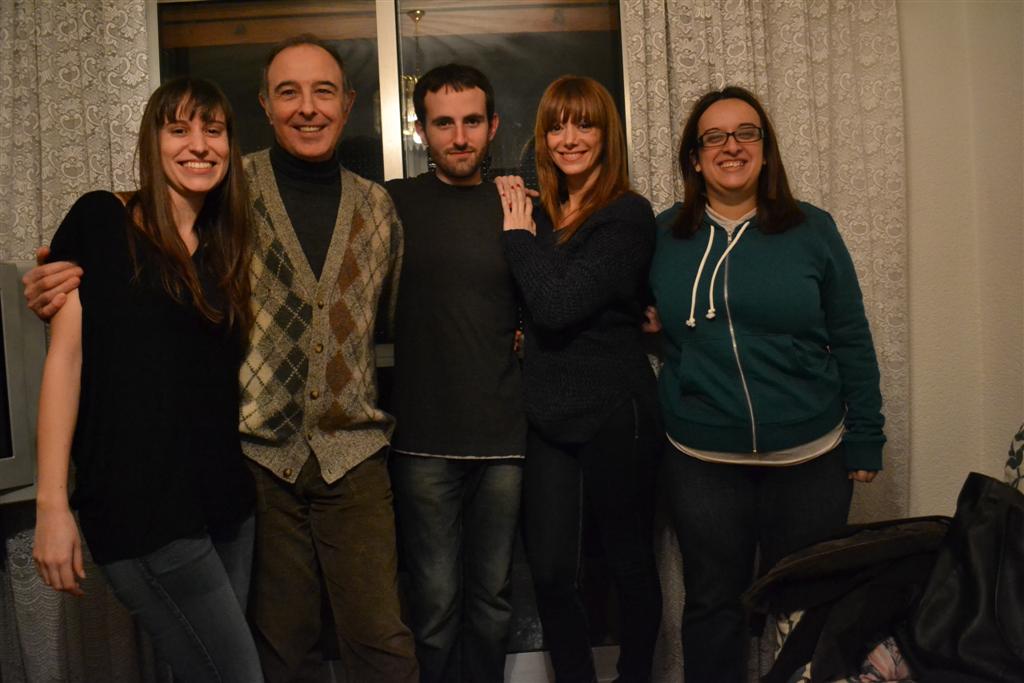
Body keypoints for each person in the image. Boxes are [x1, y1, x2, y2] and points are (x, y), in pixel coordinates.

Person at [24, 35, 418, 683]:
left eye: (323, 91)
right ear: (265, 105)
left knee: (380, 640)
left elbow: (399, 316)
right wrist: (58, 273)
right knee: (272, 649)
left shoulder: (362, 208)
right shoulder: (225, 195)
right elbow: (137, 241)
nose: (307, 107)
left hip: (330, 463)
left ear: (348, 104)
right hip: (251, 465)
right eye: (288, 92)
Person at [647, 85, 885, 683]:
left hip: (810, 459)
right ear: (694, 158)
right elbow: (612, 303)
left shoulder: (812, 229)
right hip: (702, 460)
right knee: (712, 606)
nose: (731, 146)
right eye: (714, 137)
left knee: (804, 611)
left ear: (765, 148)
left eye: (746, 133)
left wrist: (867, 435)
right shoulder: (663, 236)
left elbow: (851, 335)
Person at [31, 77, 262, 682]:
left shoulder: (224, 246)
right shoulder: (100, 219)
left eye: (214, 131)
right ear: (152, 142)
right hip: (141, 510)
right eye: (179, 129)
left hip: (228, 508)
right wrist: (51, 504)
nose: (199, 145)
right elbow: (65, 362)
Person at [495, 75, 662, 683]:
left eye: (584, 124)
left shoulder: (626, 214)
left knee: (627, 564)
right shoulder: (539, 211)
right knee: (548, 571)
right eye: (556, 126)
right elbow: (531, 300)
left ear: (605, 134)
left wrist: (517, 237)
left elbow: (559, 303)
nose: (569, 139)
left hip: (617, 411)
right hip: (547, 412)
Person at [384, 63, 526, 683]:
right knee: (435, 609)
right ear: (422, 131)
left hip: (504, 440)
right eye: (444, 123)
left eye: (472, 121)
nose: (459, 137)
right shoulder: (392, 203)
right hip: (422, 441)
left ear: (492, 126)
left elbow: (551, 292)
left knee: (493, 605)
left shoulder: (516, 203)